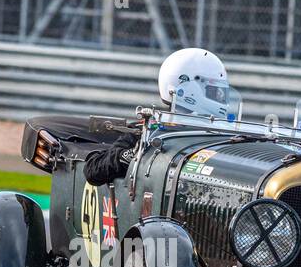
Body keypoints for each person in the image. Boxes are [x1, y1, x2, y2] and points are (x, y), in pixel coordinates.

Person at [84, 47, 231, 186]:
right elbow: (92, 170)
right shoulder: (149, 130)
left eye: (222, 93)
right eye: (215, 92)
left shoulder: (223, 133)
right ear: (188, 89)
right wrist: (132, 156)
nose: (221, 98)